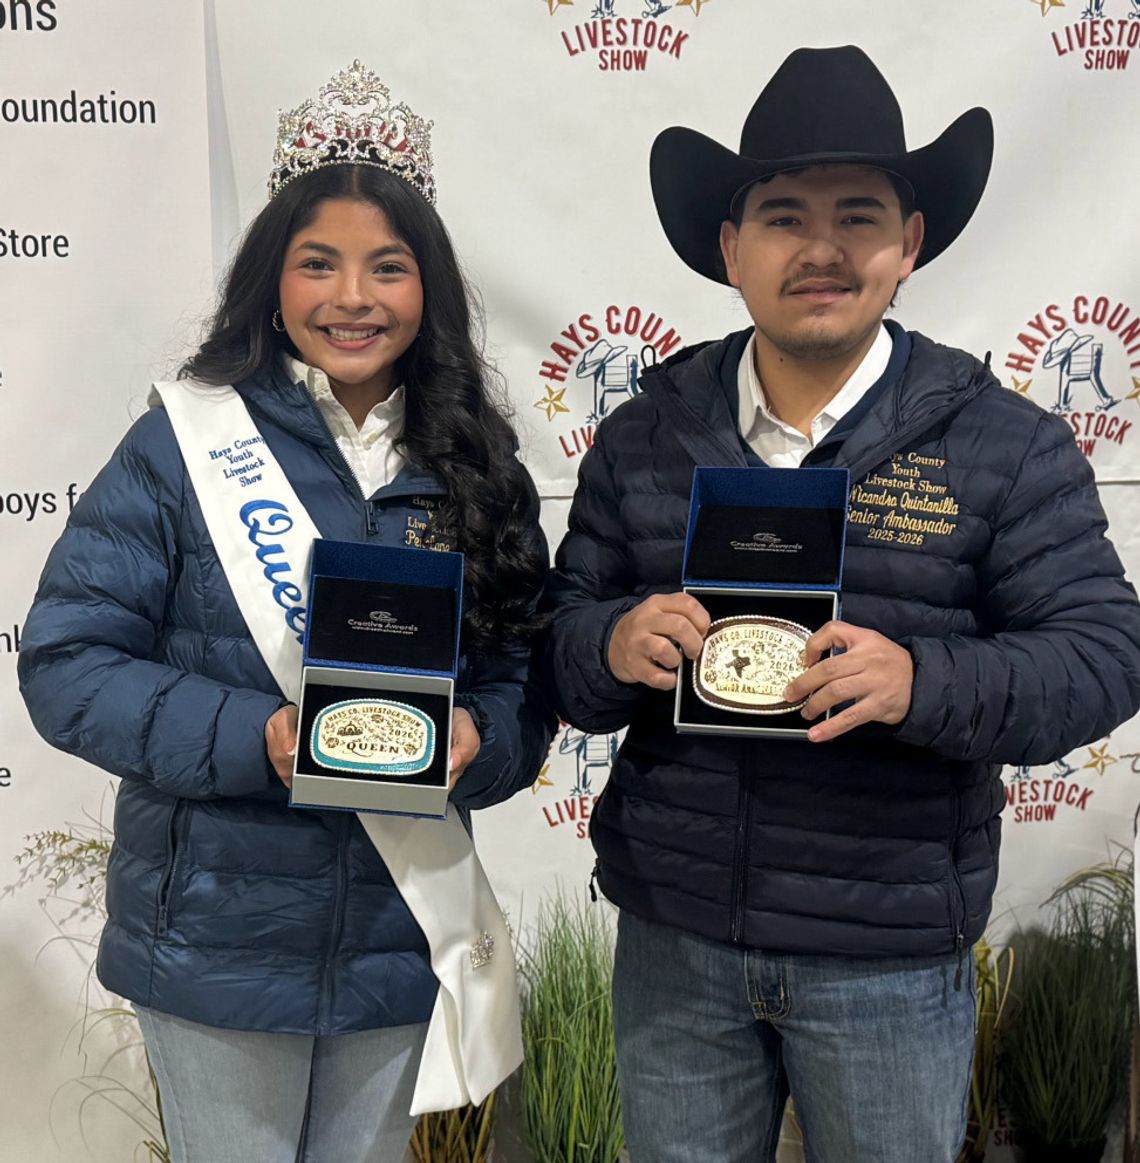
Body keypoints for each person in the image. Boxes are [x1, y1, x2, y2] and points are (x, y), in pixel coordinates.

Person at [541, 45, 1140, 1163]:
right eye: (782, 217)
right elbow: (560, 637)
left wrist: (923, 680)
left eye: (857, 215)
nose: (820, 249)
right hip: (675, 941)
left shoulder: (1002, 443)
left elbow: (1107, 652)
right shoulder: (643, 434)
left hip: (890, 952)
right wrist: (610, 640)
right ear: (731, 247)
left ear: (909, 242)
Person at [20, 62, 554, 1163]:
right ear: (272, 281)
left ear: (428, 287)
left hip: (394, 935)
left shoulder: (476, 463)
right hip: (215, 930)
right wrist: (257, 735)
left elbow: (517, 679)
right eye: (318, 263)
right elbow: (68, 662)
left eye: (386, 267)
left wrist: (479, 738)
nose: (351, 297)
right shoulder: (183, 442)